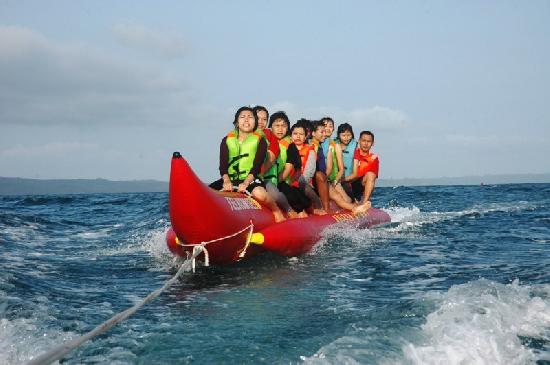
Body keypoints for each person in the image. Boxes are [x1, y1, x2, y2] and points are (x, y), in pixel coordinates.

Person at [209, 106, 286, 222]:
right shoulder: (226, 140)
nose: (246, 120)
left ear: (255, 122)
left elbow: (256, 166)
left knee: (259, 194)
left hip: (252, 178)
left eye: (250, 117)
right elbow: (223, 165)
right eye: (242, 117)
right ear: (236, 122)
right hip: (230, 179)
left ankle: (275, 210)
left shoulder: (260, 141)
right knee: (207, 192)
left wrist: (245, 183)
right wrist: (226, 181)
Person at [269, 114, 311, 218]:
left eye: (283, 126)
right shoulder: (265, 141)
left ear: (287, 128)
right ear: (270, 127)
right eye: (277, 125)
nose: (280, 129)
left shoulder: (290, 146)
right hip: (265, 180)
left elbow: (288, 169)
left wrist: (275, 181)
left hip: (281, 181)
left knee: (291, 194)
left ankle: (302, 213)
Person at [343, 130, 379, 211]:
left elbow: (371, 181)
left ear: (372, 143)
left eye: (369, 141)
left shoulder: (374, 158)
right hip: (348, 183)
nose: (366, 144)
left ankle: (364, 203)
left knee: (371, 175)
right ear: (359, 141)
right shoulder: (353, 153)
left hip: (360, 185)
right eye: (363, 141)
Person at [320, 117, 351, 204]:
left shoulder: (335, 146)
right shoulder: (316, 143)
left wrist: (335, 181)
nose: (328, 128)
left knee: (346, 199)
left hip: (333, 180)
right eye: (325, 126)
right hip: (320, 180)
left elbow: (341, 169)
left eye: (330, 126)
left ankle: (354, 207)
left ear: (333, 129)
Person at [336, 123, 358, 200]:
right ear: (339, 135)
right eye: (343, 135)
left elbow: (356, 173)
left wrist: (343, 180)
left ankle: (354, 202)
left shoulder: (355, 146)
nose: (346, 138)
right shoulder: (333, 144)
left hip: (350, 179)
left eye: (349, 135)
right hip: (336, 178)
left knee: (347, 187)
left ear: (352, 135)